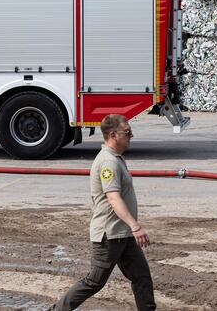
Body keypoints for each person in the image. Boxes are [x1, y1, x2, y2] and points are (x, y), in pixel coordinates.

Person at [50, 114, 156, 311]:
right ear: (114, 135)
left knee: (141, 276)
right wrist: (136, 226)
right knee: (95, 281)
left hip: (122, 233)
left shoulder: (115, 158)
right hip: (110, 234)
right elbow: (113, 198)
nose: (131, 135)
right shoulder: (108, 162)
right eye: (127, 132)